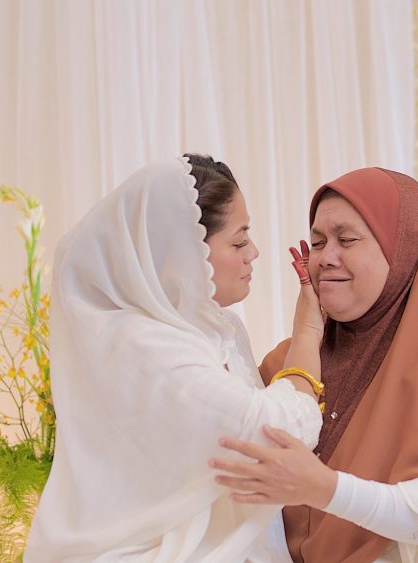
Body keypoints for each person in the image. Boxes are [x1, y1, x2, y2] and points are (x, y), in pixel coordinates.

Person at [212, 167, 418, 563]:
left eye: (347, 240)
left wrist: (328, 489)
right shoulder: (288, 365)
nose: (326, 258)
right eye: (317, 243)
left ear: (402, 250)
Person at [25, 154, 325, 562]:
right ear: (180, 253)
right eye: (238, 241)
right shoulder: (136, 344)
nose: (253, 252)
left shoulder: (218, 328)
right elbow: (274, 436)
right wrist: (307, 331)